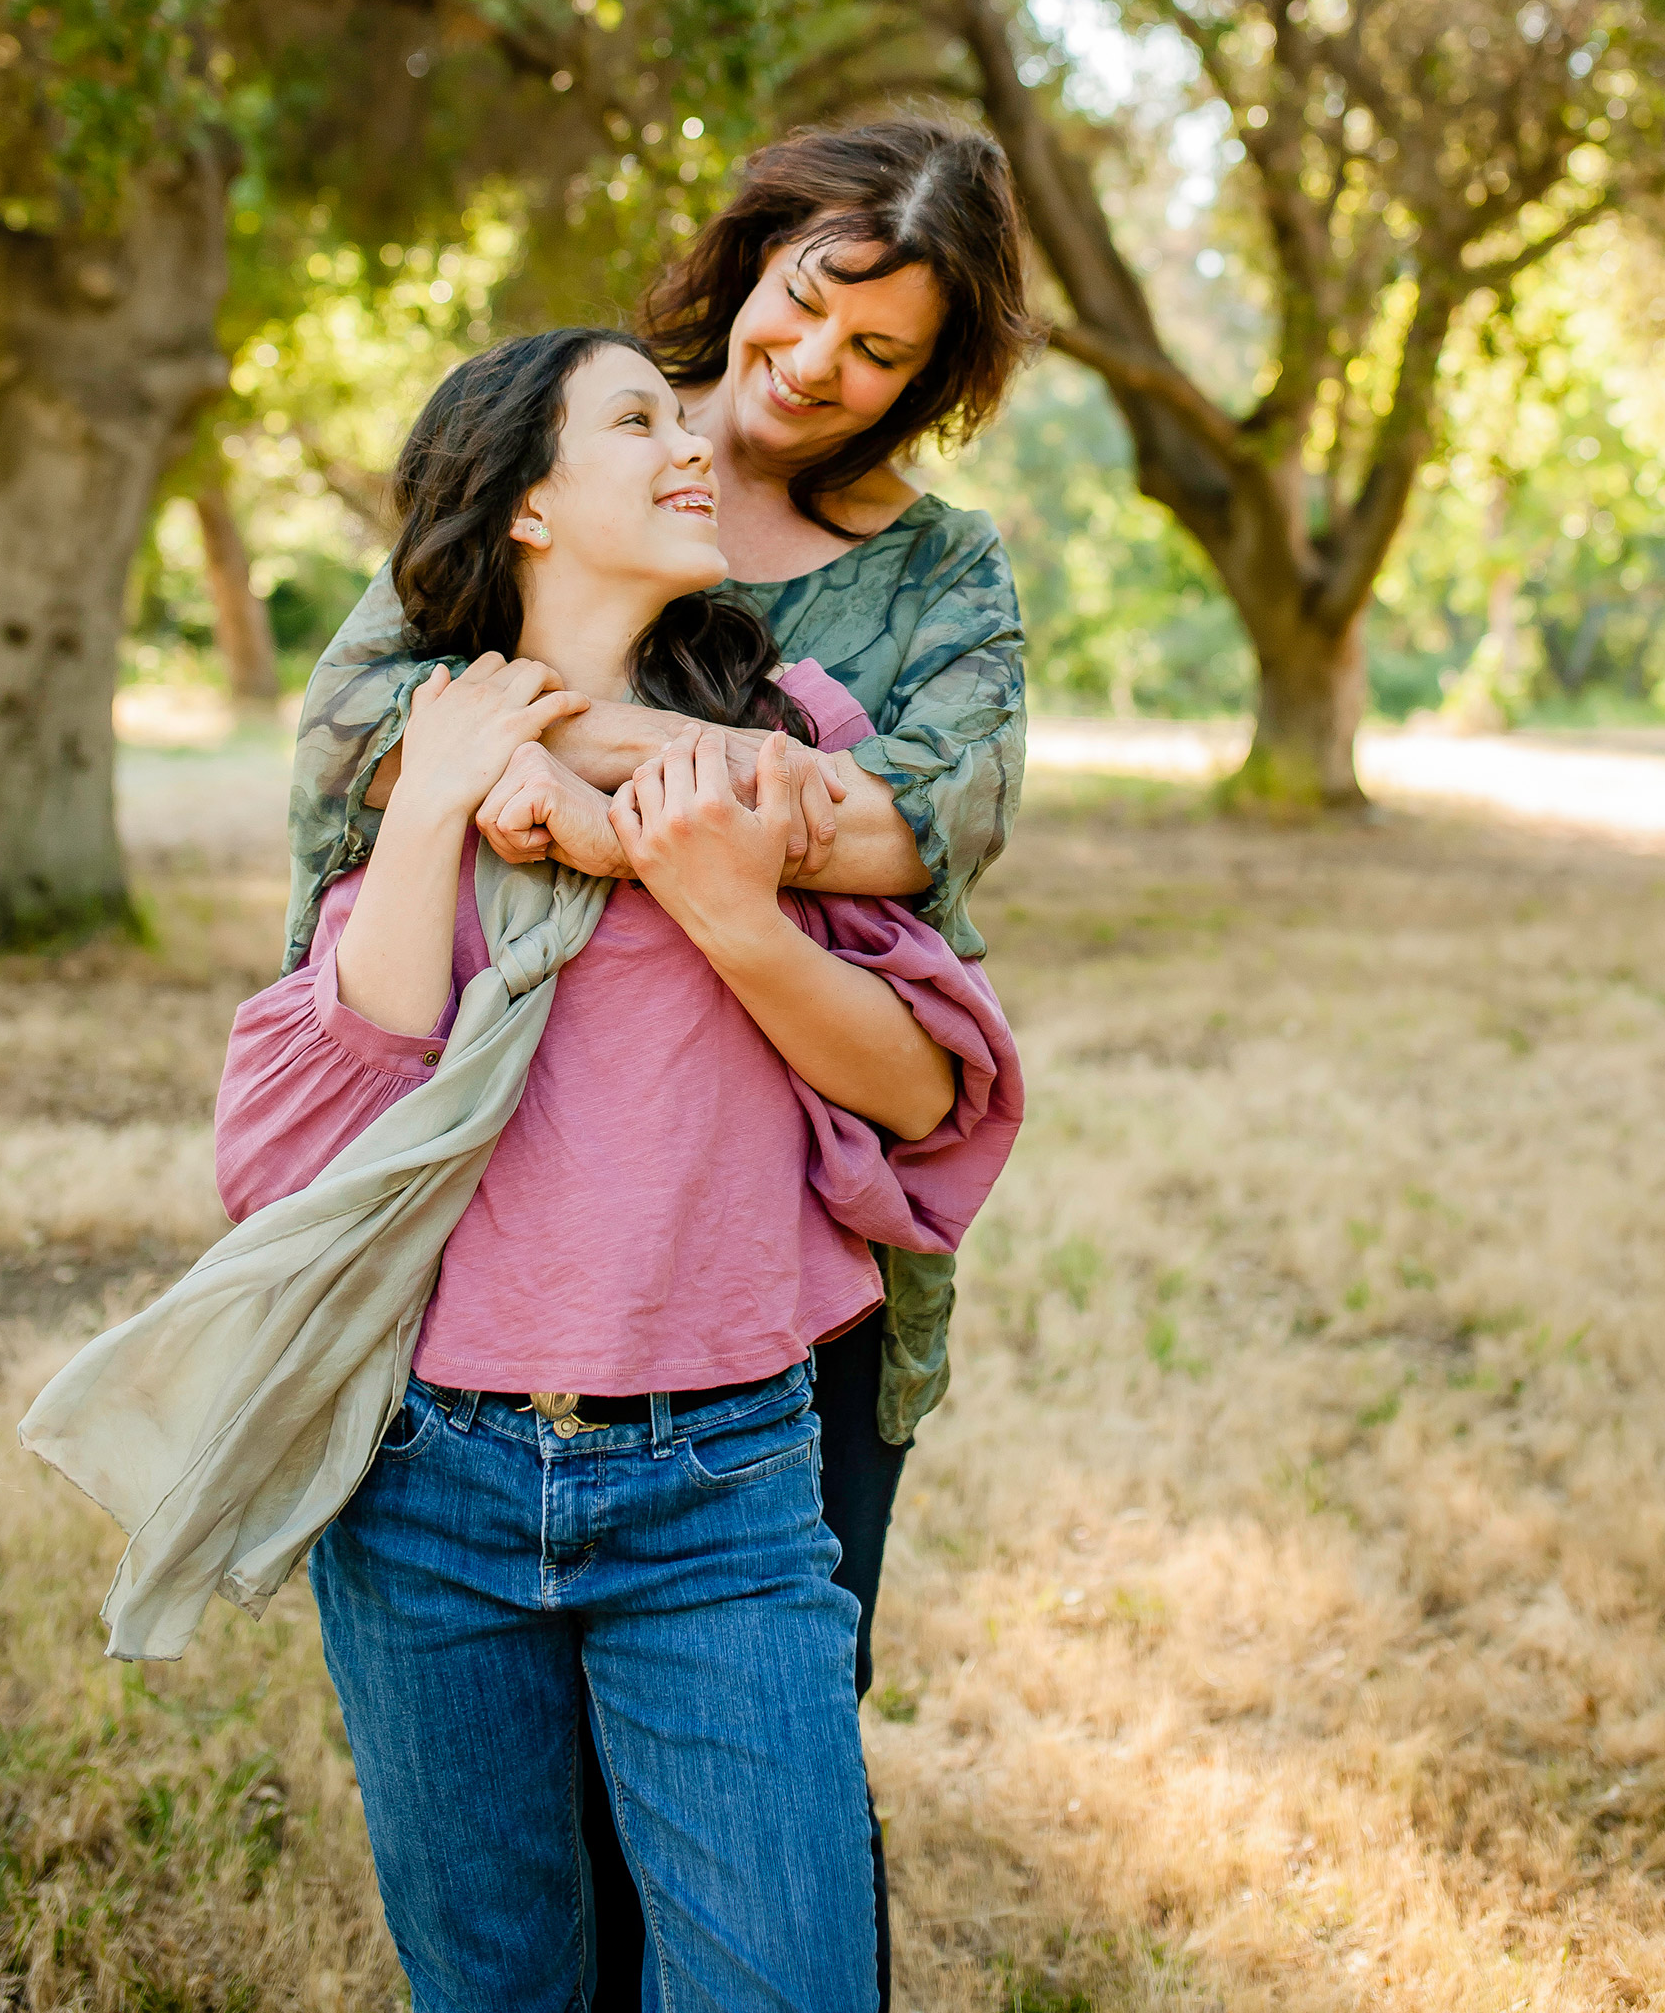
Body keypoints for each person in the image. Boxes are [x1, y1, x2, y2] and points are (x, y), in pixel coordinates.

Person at [282, 118, 1038, 1999]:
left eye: (882, 355)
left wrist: (608, 782)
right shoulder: (570, 431)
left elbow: (927, 821)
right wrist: (560, 778)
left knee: (768, 1755)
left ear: (930, 383)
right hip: (491, 1239)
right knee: (514, 1888)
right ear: (758, 257)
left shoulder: (932, 583)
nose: (814, 370)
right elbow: (358, 734)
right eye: (807, 305)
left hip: (759, 1285)